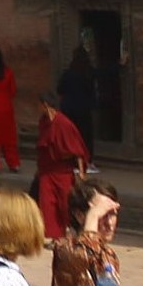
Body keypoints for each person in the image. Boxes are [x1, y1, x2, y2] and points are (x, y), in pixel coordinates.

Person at [31, 91, 89, 247]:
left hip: (63, 171)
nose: (38, 107)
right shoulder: (43, 122)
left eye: (39, 104)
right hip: (47, 170)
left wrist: (81, 172)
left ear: (45, 105)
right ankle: (56, 236)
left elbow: (77, 149)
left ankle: (68, 234)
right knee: (48, 203)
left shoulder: (64, 124)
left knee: (65, 203)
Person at [54, 47, 98, 150]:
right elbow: (103, 72)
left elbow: (59, 90)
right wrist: (119, 64)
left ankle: (71, 157)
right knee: (85, 136)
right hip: (83, 110)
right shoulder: (88, 72)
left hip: (68, 110)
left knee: (70, 135)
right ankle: (86, 159)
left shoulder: (68, 73)